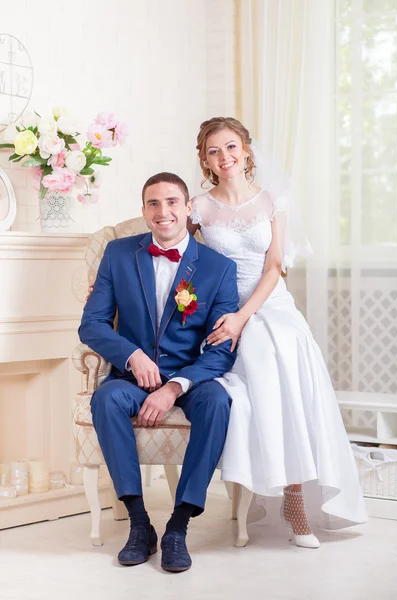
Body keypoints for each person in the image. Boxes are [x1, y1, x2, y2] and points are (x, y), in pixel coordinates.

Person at [189, 117, 367, 548]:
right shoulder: (198, 207)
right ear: (205, 160)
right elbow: (186, 265)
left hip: (270, 302)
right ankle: (267, 482)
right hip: (224, 307)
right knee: (258, 361)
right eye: (214, 151)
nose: (224, 157)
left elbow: (274, 267)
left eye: (231, 147)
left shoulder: (273, 201)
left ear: (247, 151)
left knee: (281, 349)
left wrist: (244, 317)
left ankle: (295, 497)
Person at [79, 172, 239, 572]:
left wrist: (172, 388)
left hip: (190, 378)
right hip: (132, 378)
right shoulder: (118, 254)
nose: (163, 211)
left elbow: (221, 350)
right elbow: (92, 324)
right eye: (153, 203)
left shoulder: (218, 268)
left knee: (218, 401)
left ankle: (178, 528)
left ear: (188, 208)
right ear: (144, 210)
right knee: (105, 398)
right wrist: (132, 355)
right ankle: (139, 524)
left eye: (172, 202)